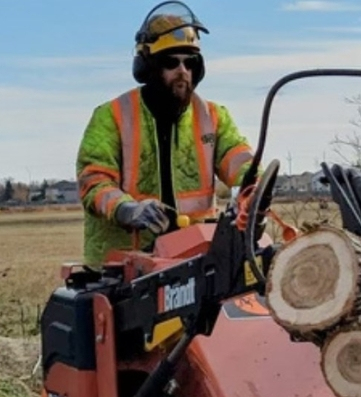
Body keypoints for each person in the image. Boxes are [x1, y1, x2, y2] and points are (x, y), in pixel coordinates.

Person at [76, 1, 257, 268]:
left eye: (190, 62)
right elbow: (94, 181)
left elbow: (240, 160)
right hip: (123, 266)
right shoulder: (111, 116)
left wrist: (256, 187)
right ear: (149, 68)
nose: (183, 71)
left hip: (193, 258)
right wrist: (127, 209)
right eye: (171, 62)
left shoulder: (213, 116)